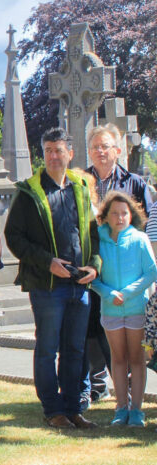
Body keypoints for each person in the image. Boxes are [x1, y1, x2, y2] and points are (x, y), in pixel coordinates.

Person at [5, 128, 101, 429]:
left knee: (75, 348)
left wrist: (95, 265)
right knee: (48, 348)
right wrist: (48, 263)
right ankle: (53, 409)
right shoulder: (28, 192)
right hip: (47, 286)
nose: (53, 156)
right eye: (48, 150)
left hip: (79, 284)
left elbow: (92, 233)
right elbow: (13, 237)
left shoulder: (81, 187)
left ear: (70, 154)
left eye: (59, 150)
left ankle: (74, 408)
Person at [82, 123, 153, 403]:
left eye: (105, 146)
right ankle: (98, 384)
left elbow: (146, 227)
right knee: (94, 327)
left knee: (132, 335)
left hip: (131, 274)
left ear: (118, 150)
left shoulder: (134, 182)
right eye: (95, 147)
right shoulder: (80, 181)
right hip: (97, 269)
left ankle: (133, 393)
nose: (100, 152)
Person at [92, 192, 157, 426]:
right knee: (118, 359)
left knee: (137, 359)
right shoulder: (98, 239)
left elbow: (151, 272)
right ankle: (121, 407)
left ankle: (137, 410)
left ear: (131, 215)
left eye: (124, 213)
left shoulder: (139, 239)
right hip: (110, 310)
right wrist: (108, 293)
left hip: (136, 309)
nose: (120, 218)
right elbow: (92, 273)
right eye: (115, 213)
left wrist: (128, 292)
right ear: (106, 216)